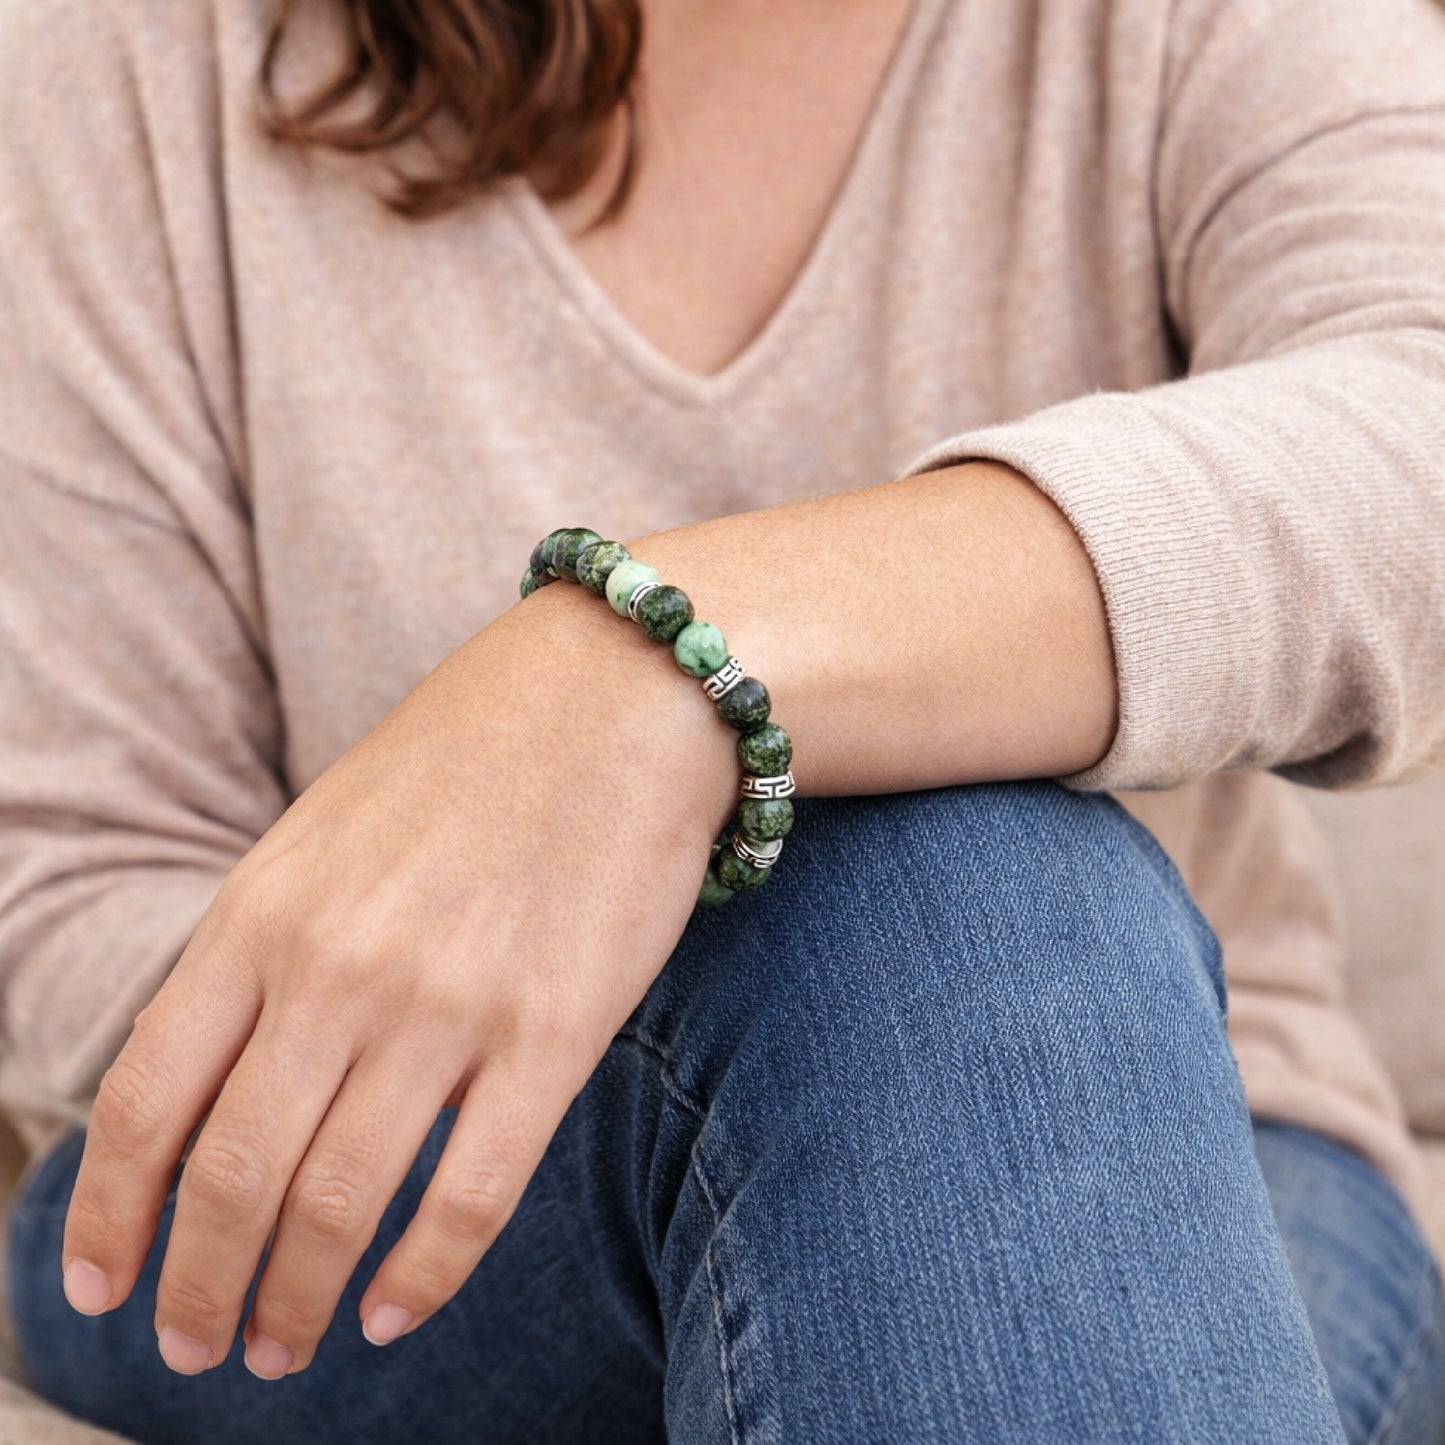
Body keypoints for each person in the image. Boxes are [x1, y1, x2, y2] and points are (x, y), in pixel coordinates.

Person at [1, 0, 1443, 1438]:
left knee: (960, 911)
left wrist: (650, 664)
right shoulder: (131, 50)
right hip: (337, 1190)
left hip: (1178, 1131)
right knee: (951, 905)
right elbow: (74, 884)